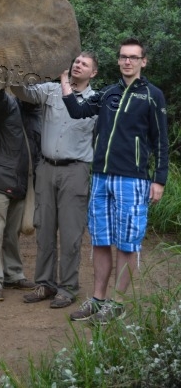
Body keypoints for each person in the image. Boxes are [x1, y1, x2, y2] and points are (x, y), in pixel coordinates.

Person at [60, 37, 169, 325]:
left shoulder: (153, 95)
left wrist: (159, 180)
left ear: (143, 61)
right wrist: (64, 83)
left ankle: (117, 303)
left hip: (132, 180)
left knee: (126, 244)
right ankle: (98, 300)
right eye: (123, 57)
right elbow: (78, 111)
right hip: (101, 178)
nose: (127, 61)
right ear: (118, 60)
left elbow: (161, 140)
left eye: (133, 57)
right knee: (100, 241)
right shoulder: (109, 92)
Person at [11, 52, 98, 308]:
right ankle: (45, 284)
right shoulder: (51, 90)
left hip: (75, 171)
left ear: (93, 73)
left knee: (71, 233)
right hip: (46, 168)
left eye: (84, 64)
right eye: (76, 61)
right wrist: (14, 68)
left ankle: (67, 288)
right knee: (44, 230)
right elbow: (22, 92)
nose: (78, 65)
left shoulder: (96, 101)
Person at [0, 89, 41, 301]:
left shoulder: (39, 113)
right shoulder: (8, 105)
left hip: (22, 183)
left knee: (12, 234)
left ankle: (13, 275)